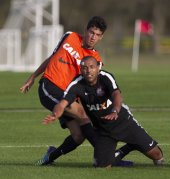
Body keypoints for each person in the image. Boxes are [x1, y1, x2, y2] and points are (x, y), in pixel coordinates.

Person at [20, 16, 133, 166]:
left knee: (79, 135)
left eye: (97, 35)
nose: (93, 37)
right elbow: (52, 57)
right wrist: (33, 76)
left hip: (68, 95)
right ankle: (107, 159)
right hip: (49, 87)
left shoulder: (95, 60)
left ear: (101, 37)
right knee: (82, 115)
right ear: (86, 30)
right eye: (91, 32)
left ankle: (50, 156)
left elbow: (91, 85)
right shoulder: (69, 36)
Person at [42, 56, 164, 167]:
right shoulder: (76, 84)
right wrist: (55, 114)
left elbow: (116, 94)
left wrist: (116, 110)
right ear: (81, 69)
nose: (88, 71)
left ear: (98, 67)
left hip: (123, 122)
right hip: (103, 131)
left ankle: (135, 143)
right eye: (84, 68)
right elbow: (62, 103)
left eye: (91, 67)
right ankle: (129, 147)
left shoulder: (106, 77)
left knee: (157, 156)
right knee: (102, 166)